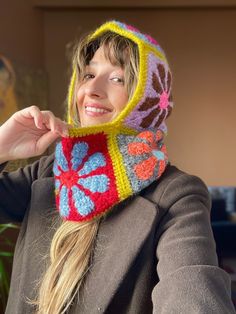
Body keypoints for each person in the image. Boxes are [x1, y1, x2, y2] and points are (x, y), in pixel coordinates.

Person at [0, 20, 235, 314]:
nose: (92, 90)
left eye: (118, 79)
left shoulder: (176, 195)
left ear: (147, 101)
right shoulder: (48, 172)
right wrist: (2, 146)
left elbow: (193, 290)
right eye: (88, 74)